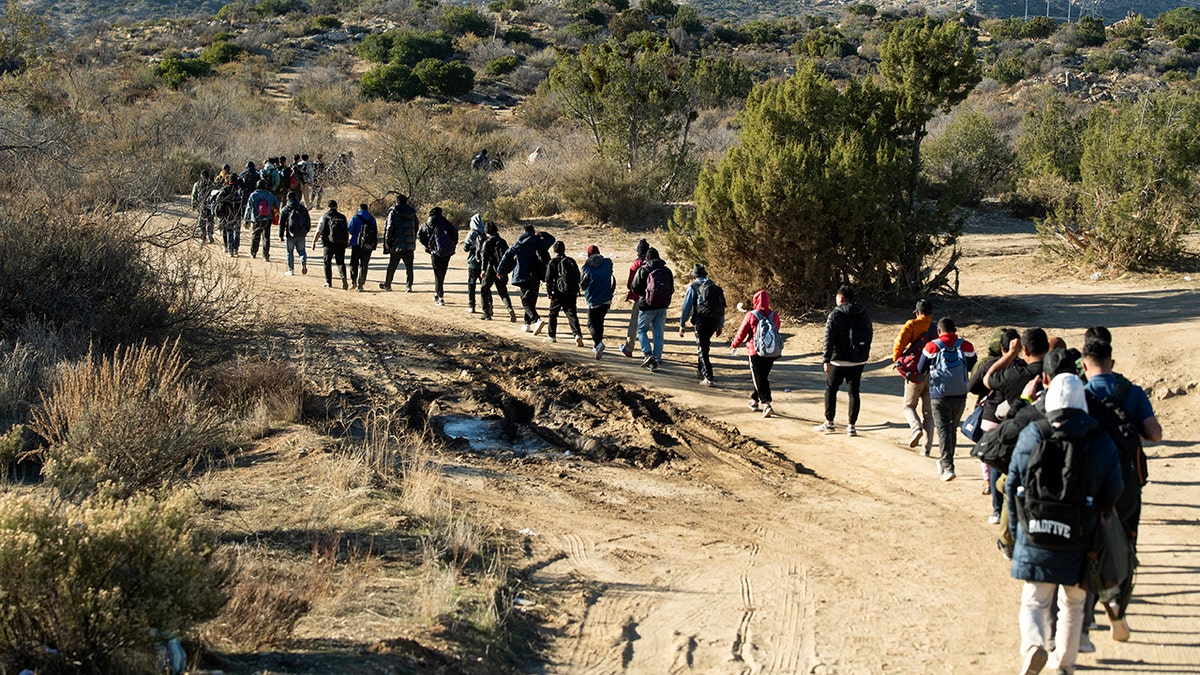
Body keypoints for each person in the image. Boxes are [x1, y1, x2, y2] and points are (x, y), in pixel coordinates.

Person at [1007, 373, 1123, 675]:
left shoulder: (1034, 433)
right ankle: (1064, 665)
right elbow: (1114, 489)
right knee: (1073, 603)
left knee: (1034, 599)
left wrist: (1018, 531)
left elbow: (1013, 482)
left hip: (1036, 530)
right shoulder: (1099, 439)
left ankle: (1033, 647)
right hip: (1080, 535)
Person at [1081, 328, 1162, 642]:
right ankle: (1116, 603)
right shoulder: (1132, 391)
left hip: (1089, 482)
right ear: (1111, 361)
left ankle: (1085, 616)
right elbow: (1155, 435)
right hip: (1127, 483)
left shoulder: (1081, 393)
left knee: (1088, 545)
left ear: (1085, 365)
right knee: (1125, 542)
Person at [917, 317, 977, 481]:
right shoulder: (966, 346)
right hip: (960, 393)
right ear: (955, 330)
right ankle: (945, 460)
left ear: (939, 331)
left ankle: (948, 466)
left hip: (939, 394)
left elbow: (920, 368)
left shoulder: (931, 347)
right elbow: (972, 365)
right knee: (952, 429)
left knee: (943, 429)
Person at [814, 285, 873, 437]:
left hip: (838, 360)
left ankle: (829, 422)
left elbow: (829, 339)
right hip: (858, 361)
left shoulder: (835, 315)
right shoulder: (863, 313)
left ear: (840, 298)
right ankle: (851, 426)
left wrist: (826, 359)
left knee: (831, 390)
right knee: (854, 393)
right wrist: (863, 354)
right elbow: (869, 334)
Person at [730, 290, 782, 418]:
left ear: (755, 301)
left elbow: (742, 332)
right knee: (761, 377)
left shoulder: (752, 315)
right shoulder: (774, 315)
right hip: (772, 352)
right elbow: (777, 329)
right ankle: (754, 400)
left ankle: (766, 404)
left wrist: (734, 344)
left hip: (756, 351)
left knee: (759, 378)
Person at [893, 299, 936, 451]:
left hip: (916, 371)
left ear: (917, 312)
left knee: (908, 406)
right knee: (929, 414)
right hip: (932, 373)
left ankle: (916, 428)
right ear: (931, 313)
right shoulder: (936, 328)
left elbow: (900, 343)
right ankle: (927, 447)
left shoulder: (912, 324)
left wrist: (898, 360)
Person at [498, 225, 555, 333]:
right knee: (531, 299)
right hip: (536, 274)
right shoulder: (539, 242)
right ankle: (527, 324)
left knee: (525, 300)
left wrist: (500, 270)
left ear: (524, 231)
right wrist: (542, 233)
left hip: (522, 275)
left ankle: (536, 320)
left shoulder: (519, 243)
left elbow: (507, 255)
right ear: (533, 231)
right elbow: (552, 239)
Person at [678, 264, 726, 386]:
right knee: (704, 345)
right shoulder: (714, 286)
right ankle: (700, 370)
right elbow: (721, 306)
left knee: (702, 347)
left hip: (701, 320)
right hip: (714, 320)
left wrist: (682, 324)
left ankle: (708, 377)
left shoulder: (693, 287)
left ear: (694, 276)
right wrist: (720, 324)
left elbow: (687, 307)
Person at [629, 247, 673, 372]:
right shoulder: (666, 270)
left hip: (646, 306)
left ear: (647, 258)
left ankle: (648, 354)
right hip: (662, 306)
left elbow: (634, 288)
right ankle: (657, 357)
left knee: (642, 330)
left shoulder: (643, 270)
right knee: (659, 333)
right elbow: (672, 289)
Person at [544, 241, 584, 346]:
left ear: (554, 251)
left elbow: (548, 279)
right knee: (571, 313)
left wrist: (549, 291)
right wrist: (576, 290)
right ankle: (577, 334)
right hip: (570, 291)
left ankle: (551, 335)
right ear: (564, 249)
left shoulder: (552, 262)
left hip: (557, 291)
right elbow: (577, 276)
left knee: (553, 313)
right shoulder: (571, 261)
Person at [580, 245, 615, 359]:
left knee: (591, 323)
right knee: (600, 322)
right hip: (607, 298)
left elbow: (583, 286)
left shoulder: (586, 268)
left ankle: (598, 343)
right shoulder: (607, 263)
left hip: (593, 300)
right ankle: (597, 346)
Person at [417, 207, 458, 306]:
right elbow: (455, 234)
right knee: (442, 272)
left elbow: (420, 235)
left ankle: (440, 296)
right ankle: (438, 293)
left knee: (437, 273)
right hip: (446, 251)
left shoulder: (427, 223)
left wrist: (428, 246)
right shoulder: (445, 222)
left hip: (434, 252)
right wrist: (452, 245)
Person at [479, 221, 517, 322]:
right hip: (502, 271)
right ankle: (509, 309)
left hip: (490, 270)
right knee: (503, 292)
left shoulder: (487, 242)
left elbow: (484, 257)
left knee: (484, 289)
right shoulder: (502, 241)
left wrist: (483, 270)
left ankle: (486, 313)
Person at [380, 194, 419, 292]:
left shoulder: (393, 212)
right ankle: (408, 286)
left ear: (397, 201)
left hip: (397, 243)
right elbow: (416, 226)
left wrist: (387, 242)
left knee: (392, 265)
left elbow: (389, 228)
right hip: (409, 244)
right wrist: (412, 238)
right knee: (409, 267)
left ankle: (388, 285)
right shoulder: (412, 212)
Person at [620, 239, 650, 358]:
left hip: (641, 299)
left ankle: (629, 348)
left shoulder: (636, 264)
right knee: (656, 328)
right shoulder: (654, 263)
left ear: (638, 252)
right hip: (655, 300)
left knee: (634, 324)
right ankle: (656, 353)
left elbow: (630, 285)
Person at [312, 199, 350, 289]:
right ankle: (343, 277)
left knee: (327, 262)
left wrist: (314, 242)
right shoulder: (342, 217)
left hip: (328, 244)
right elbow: (347, 230)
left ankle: (328, 282)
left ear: (328, 207)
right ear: (336, 207)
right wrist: (347, 241)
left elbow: (319, 231)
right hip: (341, 243)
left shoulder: (324, 217)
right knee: (340, 262)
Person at [243, 179, 278, 262]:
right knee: (266, 237)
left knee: (256, 235)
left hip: (256, 218)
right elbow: (276, 206)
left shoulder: (253, 195)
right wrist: (274, 216)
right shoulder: (270, 195)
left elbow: (248, 208)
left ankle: (253, 253)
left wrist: (246, 220)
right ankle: (266, 255)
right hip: (268, 218)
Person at [277, 192, 310, 276]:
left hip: (290, 234)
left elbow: (282, 224)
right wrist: (305, 231)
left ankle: (291, 270)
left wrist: (281, 235)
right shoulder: (302, 208)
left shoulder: (285, 209)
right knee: (302, 251)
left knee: (289, 252)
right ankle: (303, 260)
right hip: (301, 234)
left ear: (288, 198)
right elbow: (308, 221)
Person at [347, 203, 377, 291]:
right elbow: (375, 232)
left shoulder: (355, 217)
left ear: (359, 209)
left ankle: (353, 282)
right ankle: (361, 284)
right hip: (368, 245)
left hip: (356, 244)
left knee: (354, 263)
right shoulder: (372, 219)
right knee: (364, 265)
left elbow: (351, 230)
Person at [213, 176, 243, 257]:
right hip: (237, 214)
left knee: (228, 231)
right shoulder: (239, 190)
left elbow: (218, 200)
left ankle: (229, 250)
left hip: (227, 214)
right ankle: (235, 249)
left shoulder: (225, 189)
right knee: (236, 232)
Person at [463, 214, 486, 313]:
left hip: (473, 263)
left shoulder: (472, 233)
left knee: (471, 285)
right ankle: (487, 306)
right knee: (484, 287)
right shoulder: (484, 234)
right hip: (483, 264)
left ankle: (472, 305)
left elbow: (465, 248)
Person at [191, 169, 216, 244]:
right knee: (210, 220)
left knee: (201, 221)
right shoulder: (212, 184)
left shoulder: (197, 184)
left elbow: (194, 195)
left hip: (201, 205)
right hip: (210, 205)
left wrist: (193, 205)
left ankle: (203, 236)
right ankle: (210, 234)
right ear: (208, 176)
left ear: (201, 176)